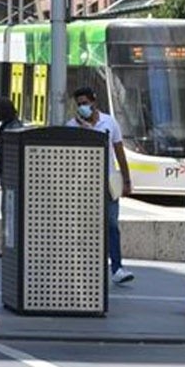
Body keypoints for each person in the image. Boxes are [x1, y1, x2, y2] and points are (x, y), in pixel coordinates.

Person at [67, 86, 135, 285]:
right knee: (85, 226)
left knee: (112, 224)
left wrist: (126, 180)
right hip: (84, 185)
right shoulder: (72, 126)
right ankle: (85, 266)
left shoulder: (109, 122)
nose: (82, 108)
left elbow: (119, 152)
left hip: (109, 182)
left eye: (85, 103)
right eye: (79, 105)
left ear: (93, 102)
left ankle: (117, 268)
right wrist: (84, 129)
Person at [0, 96, 25, 175]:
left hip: (10, 171)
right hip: (5, 169)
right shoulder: (5, 126)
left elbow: (12, 151)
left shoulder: (13, 128)